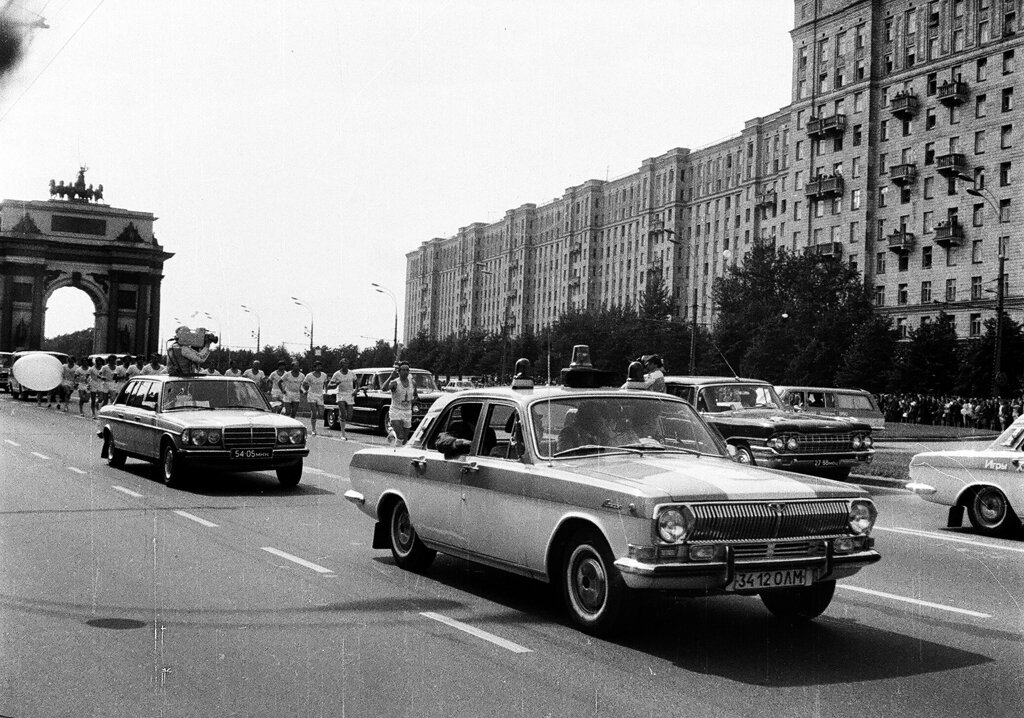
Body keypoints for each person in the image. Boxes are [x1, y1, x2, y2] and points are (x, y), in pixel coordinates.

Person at [382, 361, 418, 443]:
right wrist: (391, 377)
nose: (405, 372)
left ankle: (395, 445)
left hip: (407, 411)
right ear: (399, 371)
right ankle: (394, 435)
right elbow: (384, 388)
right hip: (396, 411)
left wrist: (412, 400)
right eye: (403, 370)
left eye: (407, 370)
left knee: (405, 440)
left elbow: (416, 395)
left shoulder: (413, 383)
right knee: (400, 436)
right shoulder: (395, 382)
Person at [329, 359, 356, 439]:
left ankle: (341, 418)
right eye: (344, 364)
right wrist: (336, 383)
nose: (346, 365)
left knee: (349, 416)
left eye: (347, 363)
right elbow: (330, 384)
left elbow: (357, 383)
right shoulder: (337, 374)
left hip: (350, 394)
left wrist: (356, 390)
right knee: (343, 414)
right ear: (341, 365)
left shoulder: (351, 373)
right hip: (340, 394)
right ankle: (343, 434)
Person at [302, 361, 328, 435]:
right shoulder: (309, 375)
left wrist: (325, 392)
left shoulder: (324, 375)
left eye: (320, 366)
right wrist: (304, 391)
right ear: (314, 367)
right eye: (317, 366)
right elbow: (303, 384)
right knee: (314, 412)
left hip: (320, 395)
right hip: (311, 394)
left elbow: (326, 384)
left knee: (321, 413)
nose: (319, 367)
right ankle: (313, 429)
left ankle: (314, 421)